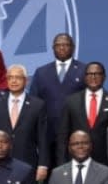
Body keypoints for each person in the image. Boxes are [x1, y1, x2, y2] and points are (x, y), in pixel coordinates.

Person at [0, 65, 49, 182]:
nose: (13, 81)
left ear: (26, 80)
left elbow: (43, 138)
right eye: (10, 77)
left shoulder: (38, 105)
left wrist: (42, 165)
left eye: (18, 77)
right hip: (0, 162)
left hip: (28, 163)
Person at [30, 33, 87, 169]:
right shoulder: (41, 72)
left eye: (66, 45)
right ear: (53, 48)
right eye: (58, 45)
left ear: (72, 48)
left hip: (75, 132)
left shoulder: (84, 70)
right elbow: (34, 103)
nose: (62, 48)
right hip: (47, 133)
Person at [56, 61, 108, 165]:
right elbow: (63, 135)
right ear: (85, 77)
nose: (93, 77)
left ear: (104, 77)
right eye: (90, 74)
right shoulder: (71, 101)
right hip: (75, 160)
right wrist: (62, 162)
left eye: (97, 74)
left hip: (105, 162)